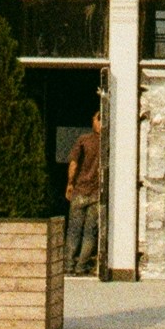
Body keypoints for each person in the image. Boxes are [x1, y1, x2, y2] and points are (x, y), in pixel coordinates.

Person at [64, 98, 104, 277]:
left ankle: (69, 265)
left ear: (92, 121)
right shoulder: (107, 144)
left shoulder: (83, 140)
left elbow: (73, 163)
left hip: (80, 190)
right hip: (96, 193)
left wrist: (70, 183)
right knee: (90, 232)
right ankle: (81, 266)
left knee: (74, 229)